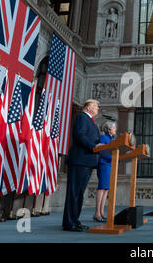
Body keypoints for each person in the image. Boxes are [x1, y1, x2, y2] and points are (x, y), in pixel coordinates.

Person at [62, 99, 102, 232]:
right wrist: (94, 146)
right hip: (80, 161)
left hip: (87, 162)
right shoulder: (82, 118)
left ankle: (75, 220)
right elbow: (80, 135)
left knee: (79, 193)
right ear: (89, 107)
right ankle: (69, 222)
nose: (98, 108)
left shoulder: (90, 120)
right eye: (96, 106)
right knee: (74, 193)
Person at [93, 121, 117, 222]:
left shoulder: (113, 139)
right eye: (114, 128)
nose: (115, 129)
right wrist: (114, 157)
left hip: (110, 164)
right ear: (109, 129)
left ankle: (102, 212)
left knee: (106, 189)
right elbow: (102, 152)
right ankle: (97, 213)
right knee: (102, 188)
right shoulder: (103, 137)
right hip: (104, 164)